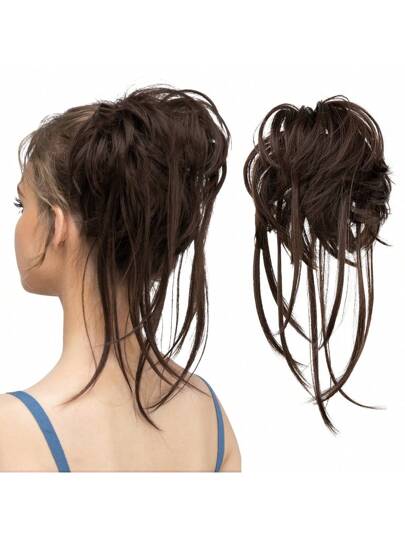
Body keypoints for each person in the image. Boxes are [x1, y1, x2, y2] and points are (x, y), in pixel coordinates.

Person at [0, 85, 241, 472]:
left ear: (57, 225)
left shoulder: (12, 432)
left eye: (21, 204)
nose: (18, 223)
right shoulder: (210, 420)